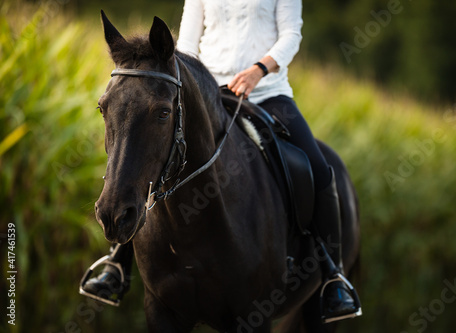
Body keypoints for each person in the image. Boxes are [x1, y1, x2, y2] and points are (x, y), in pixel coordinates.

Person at [81, 0, 360, 323]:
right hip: (205, 93)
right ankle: (118, 261)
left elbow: (291, 36)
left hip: (266, 91)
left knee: (318, 167)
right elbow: (183, 46)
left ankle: (332, 275)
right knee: (151, 153)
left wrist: (258, 70)